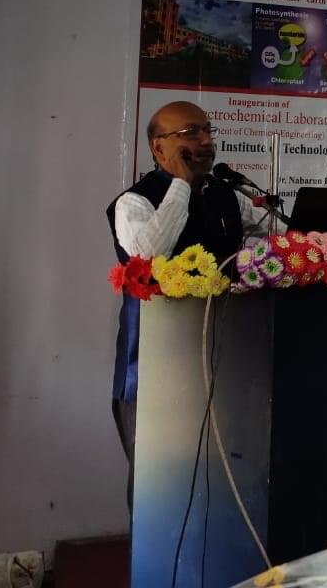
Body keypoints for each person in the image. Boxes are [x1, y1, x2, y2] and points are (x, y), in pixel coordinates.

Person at [105, 100, 261, 507]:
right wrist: (180, 184)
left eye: (208, 130)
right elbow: (151, 259)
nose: (206, 141)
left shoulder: (227, 196)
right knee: (157, 486)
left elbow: (265, 242)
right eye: (191, 133)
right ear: (159, 148)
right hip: (153, 370)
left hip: (222, 361)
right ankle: (150, 568)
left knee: (216, 478)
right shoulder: (133, 203)